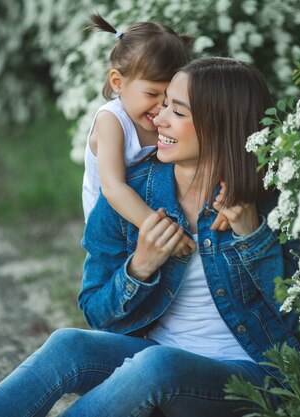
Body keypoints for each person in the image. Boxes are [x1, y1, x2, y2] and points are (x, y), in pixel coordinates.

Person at [0, 57, 300, 417]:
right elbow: (97, 314)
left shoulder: (278, 203)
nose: (158, 119)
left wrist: (254, 238)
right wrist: (139, 268)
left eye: (177, 111)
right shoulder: (132, 194)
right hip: (154, 365)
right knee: (68, 345)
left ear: (221, 126)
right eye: (163, 105)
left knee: (157, 364)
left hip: (251, 376)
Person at [82, 14, 207, 256]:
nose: (162, 107)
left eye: (170, 97)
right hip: (113, 231)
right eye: (151, 94)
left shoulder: (167, 119)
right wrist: (162, 232)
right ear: (118, 83)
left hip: (156, 215)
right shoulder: (112, 121)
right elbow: (113, 187)